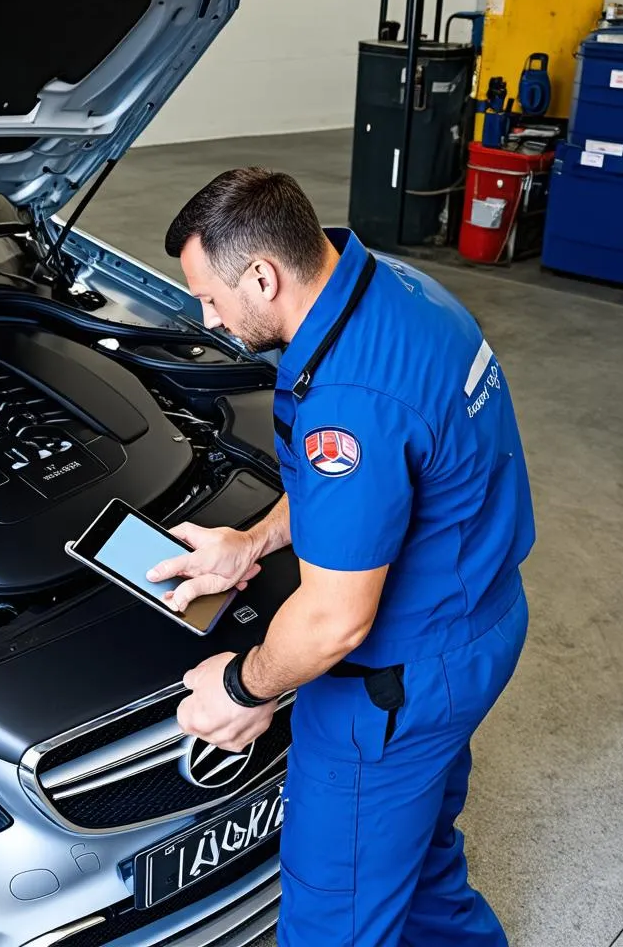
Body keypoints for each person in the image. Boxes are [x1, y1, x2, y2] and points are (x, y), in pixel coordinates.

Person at [146, 168, 534, 946]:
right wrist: (251, 541)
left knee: (337, 912)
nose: (207, 318)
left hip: (398, 686)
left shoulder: (348, 399)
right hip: (480, 623)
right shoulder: (393, 287)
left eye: (211, 298)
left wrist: (241, 686)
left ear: (263, 274)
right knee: (419, 865)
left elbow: (332, 622)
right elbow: (379, 485)